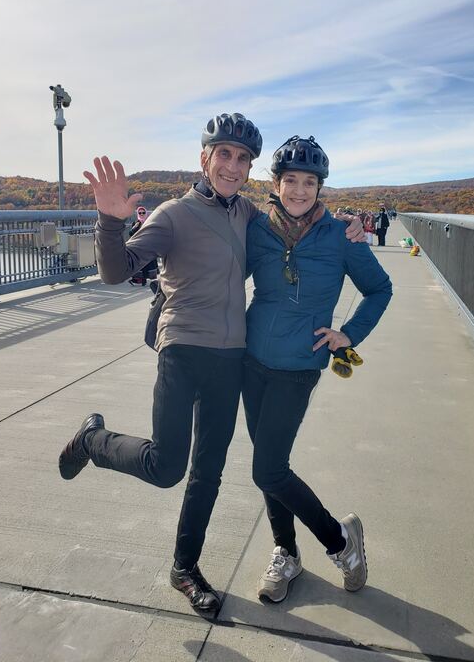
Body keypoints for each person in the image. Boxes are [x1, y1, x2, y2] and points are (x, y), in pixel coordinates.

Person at [58, 114, 365, 616]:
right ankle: (93, 439)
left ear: (250, 169)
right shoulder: (174, 214)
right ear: (205, 158)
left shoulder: (249, 214)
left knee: (208, 472)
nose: (233, 165)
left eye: (243, 158)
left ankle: (185, 569)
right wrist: (110, 219)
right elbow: (115, 271)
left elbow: (302, 222)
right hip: (182, 350)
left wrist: (349, 228)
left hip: (232, 359)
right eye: (224, 153)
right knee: (167, 468)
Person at [242, 135, 392, 603]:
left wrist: (349, 334)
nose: (300, 190)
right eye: (291, 180)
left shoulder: (340, 237)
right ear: (277, 183)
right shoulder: (256, 228)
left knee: (267, 469)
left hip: (299, 364)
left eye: (309, 182)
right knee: (272, 464)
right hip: (250, 360)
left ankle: (339, 542)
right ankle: (286, 552)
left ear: (320, 187)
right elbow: (221, 268)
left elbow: (380, 289)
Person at [128, 206, 158, 286]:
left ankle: (145, 279)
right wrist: (136, 227)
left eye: (143, 212)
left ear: (146, 213)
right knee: (139, 263)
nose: (141, 214)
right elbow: (131, 234)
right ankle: (140, 280)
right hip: (138, 246)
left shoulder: (149, 222)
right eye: (140, 213)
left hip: (148, 246)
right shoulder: (135, 223)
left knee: (148, 263)